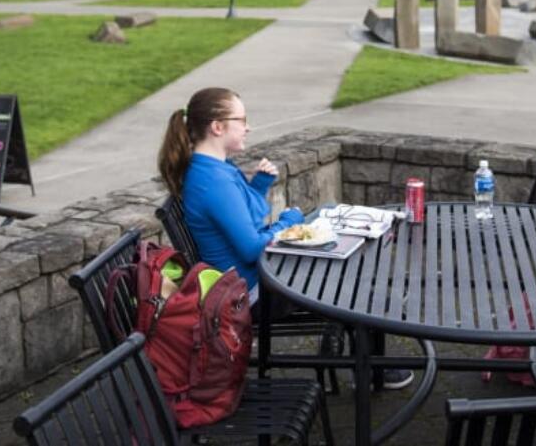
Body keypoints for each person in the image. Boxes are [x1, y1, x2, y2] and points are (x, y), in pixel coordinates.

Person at [157, 87, 415, 389]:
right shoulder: (213, 181)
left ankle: (363, 349)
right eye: (242, 119)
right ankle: (370, 365)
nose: (248, 127)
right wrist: (289, 221)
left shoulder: (216, 169)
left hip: (252, 279)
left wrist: (261, 185)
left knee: (344, 257)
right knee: (348, 275)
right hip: (248, 294)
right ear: (217, 126)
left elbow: (246, 218)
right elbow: (252, 247)